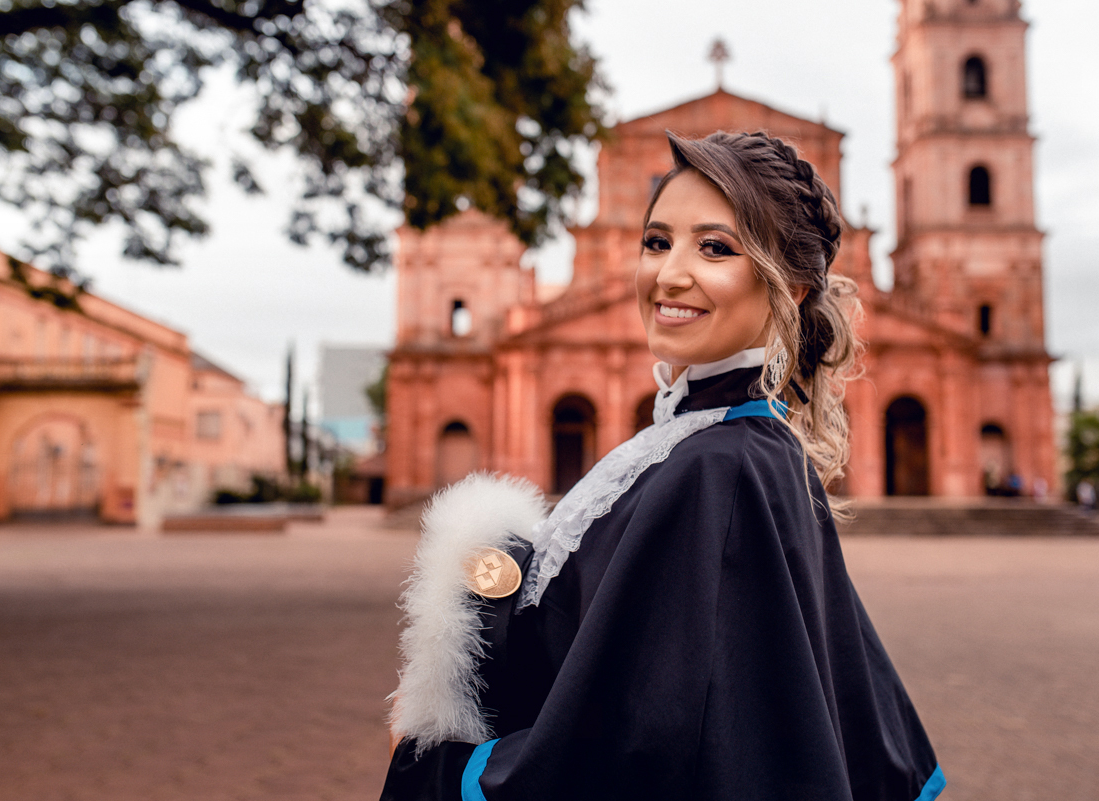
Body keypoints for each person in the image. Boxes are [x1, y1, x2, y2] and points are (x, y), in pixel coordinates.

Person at [380, 131, 944, 801]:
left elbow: (641, 737)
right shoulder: (727, 443)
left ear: (791, 286)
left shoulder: (715, 470)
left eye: (715, 246)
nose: (669, 273)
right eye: (656, 241)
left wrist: (441, 767)